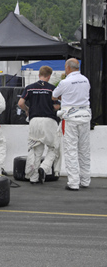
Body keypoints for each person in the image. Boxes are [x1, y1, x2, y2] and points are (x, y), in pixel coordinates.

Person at [52, 58, 91, 191]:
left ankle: (74, 183)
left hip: (70, 118)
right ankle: (85, 180)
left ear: (67, 68)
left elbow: (54, 96)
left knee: (71, 150)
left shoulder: (65, 82)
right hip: (85, 117)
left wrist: (64, 97)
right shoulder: (85, 80)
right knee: (84, 150)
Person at [18, 66, 61, 184]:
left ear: (39, 75)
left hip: (34, 120)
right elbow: (57, 106)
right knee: (54, 147)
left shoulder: (29, 88)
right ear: (49, 76)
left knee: (36, 149)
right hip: (49, 121)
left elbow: (20, 103)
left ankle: (33, 177)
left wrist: (27, 109)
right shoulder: (53, 89)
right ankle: (45, 167)